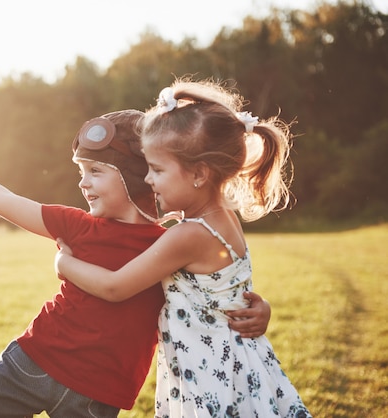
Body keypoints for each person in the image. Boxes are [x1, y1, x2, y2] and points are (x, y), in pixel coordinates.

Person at [0, 109, 271, 418]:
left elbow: (214, 288)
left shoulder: (171, 243)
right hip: (32, 361)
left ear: (134, 175)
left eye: (95, 171)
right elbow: (3, 199)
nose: (83, 183)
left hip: (97, 396)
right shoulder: (76, 225)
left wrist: (257, 308)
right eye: (81, 172)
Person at [55, 79, 312, 417]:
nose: (148, 179)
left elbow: (115, 287)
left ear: (198, 174)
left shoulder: (188, 236)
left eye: (157, 169)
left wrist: (64, 263)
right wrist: (261, 307)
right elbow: (226, 291)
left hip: (211, 374)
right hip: (240, 362)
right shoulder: (224, 219)